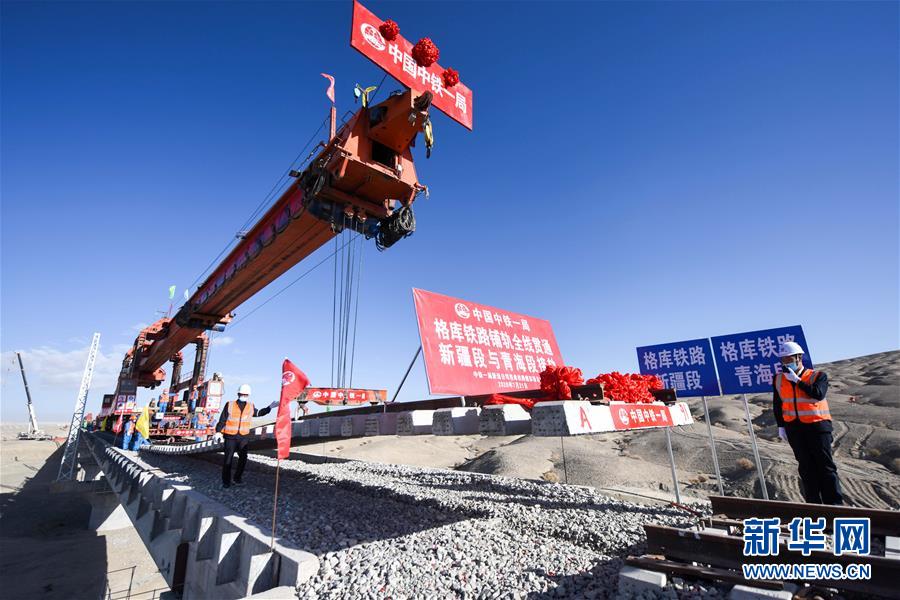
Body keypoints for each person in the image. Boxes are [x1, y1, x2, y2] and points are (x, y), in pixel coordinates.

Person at [773, 341, 843, 505]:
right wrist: (781, 425)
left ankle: (834, 505)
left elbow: (818, 394)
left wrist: (797, 381)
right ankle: (813, 505)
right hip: (794, 428)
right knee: (805, 467)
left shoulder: (818, 376)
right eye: (783, 359)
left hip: (817, 427)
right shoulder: (778, 379)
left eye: (789, 358)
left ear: (799, 357)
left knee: (825, 467)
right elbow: (778, 404)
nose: (785, 362)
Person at [214, 384, 278, 488]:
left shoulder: (250, 406)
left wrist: (269, 407)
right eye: (242, 394)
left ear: (248, 395)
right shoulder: (229, 404)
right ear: (238, 394)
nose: (243, 396)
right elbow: (223, 419)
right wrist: (218, 432)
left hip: (243, 437)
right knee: (228, 459)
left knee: (243, 458)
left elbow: (259, 413)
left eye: (245, 394)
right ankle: (226, 481)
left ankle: (237, 478)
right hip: (230, 437)